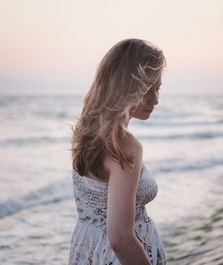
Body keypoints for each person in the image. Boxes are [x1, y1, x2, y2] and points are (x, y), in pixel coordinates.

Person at [68, 38, 167, 265]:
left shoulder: (88, 133)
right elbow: (120, 238)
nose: (155, 100)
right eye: (147, 90)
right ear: (126, 87)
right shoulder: (125, 147)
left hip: (89, 252)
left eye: (158, 89)